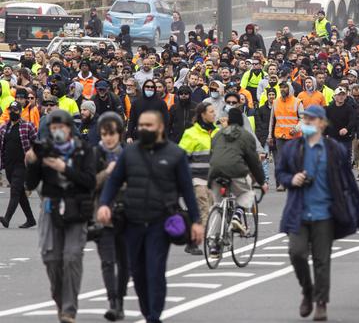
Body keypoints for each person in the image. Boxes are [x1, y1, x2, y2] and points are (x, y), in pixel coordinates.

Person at [97, 110, 204, 323]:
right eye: (141, 125)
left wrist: (197, 222)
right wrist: (104, 205)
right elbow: (114, 181)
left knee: (155, 271)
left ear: (160, 127)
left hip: (160, 222)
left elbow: (187, 192)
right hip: (132, 221)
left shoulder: (176, 155)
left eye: (149, 125)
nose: (144, 129)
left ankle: (154, 317)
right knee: (137, 273)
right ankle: (147, 313)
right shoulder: (130, 153)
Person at [276, 105, 359, 321]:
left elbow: (347, 181)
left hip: (325, 212)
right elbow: (280, 172)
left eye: (312, 119)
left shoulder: (334, 149)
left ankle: (321, 302)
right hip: (299, 211)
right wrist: (291, 179)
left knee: (321, 260)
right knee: (296, 253)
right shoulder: (293, 148)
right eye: (305, 118)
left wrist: (354, 208)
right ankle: (307, 290)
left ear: (323, 123)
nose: (307, 122)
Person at [25, 110, 97, 323]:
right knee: (52, 259)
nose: (57, 132)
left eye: (61, 127)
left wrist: (64, 168)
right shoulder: (45, 150)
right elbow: (30, 184)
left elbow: (90, 181)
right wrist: (34, 161)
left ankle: (69, 310)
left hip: (77, 208)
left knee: (72, 257)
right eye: (53, 128)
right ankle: (60, 300)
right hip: (51, 208)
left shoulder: (83, 150)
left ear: (70, 129)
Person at [207, 107, 267, 249]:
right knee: (247, 192)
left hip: (214, 173)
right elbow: (253, 162)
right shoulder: (245, 136)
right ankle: (237, 216)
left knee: (217, 204)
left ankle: (213, 242)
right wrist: (261, 181)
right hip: (235, 171)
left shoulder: (218, 134)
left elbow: (213, 154)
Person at [92, 112, 128, 321]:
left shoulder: (129, 154)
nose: (108, 138)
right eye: (105, 133)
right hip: (102, 215)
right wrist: (108, 173)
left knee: (125, 263)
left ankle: (121, 299)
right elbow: (89, 183)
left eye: (112, 133)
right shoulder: (95, 154)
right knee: (107, 261)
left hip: (126, 215)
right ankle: (113, 301)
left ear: (120, 134)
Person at [178, 102, 218, 256]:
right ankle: (206, 243)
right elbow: (181, 158)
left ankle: (196, 240)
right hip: (196, 179)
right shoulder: (191, 133)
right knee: (204, 210)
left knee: (214, 209)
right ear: (203, 114)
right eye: (211, 111)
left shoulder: (217, 133)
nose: (214, 114)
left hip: (213, 179)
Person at [0, 101, 37, 228]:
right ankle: (31, 219)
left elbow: (36, 143)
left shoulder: (27, 126)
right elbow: (1, 147)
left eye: (15, 110)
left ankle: (7, 218)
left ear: (20, 112)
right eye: (11, 110)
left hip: (22, 165)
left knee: (15, 191)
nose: (12, 112)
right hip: (9, 166)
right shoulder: (4, 128)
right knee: (20, 193)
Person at [268, 81, 304, 191]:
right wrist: (270, 135)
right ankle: (282, 184)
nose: (283, 90)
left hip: (294, 136)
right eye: (281, 88)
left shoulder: (297, 102)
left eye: (285, 87)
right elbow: (272, 121)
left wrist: (296, 128)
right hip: (280, 136)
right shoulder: (275, 102)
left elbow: (303, 119)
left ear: (290, 89)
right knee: (280, 160)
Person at [326, 87, 358, 161]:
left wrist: (346, 129)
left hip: (345, 139)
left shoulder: (349, 108)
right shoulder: (329, 109)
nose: (341, 97)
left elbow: (353, 120)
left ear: (346, 96)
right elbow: (325, 122)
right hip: (332, 138)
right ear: (334, 96)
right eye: (339, 95)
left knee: (345, 159)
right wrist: (325, 134)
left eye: (343, 95)